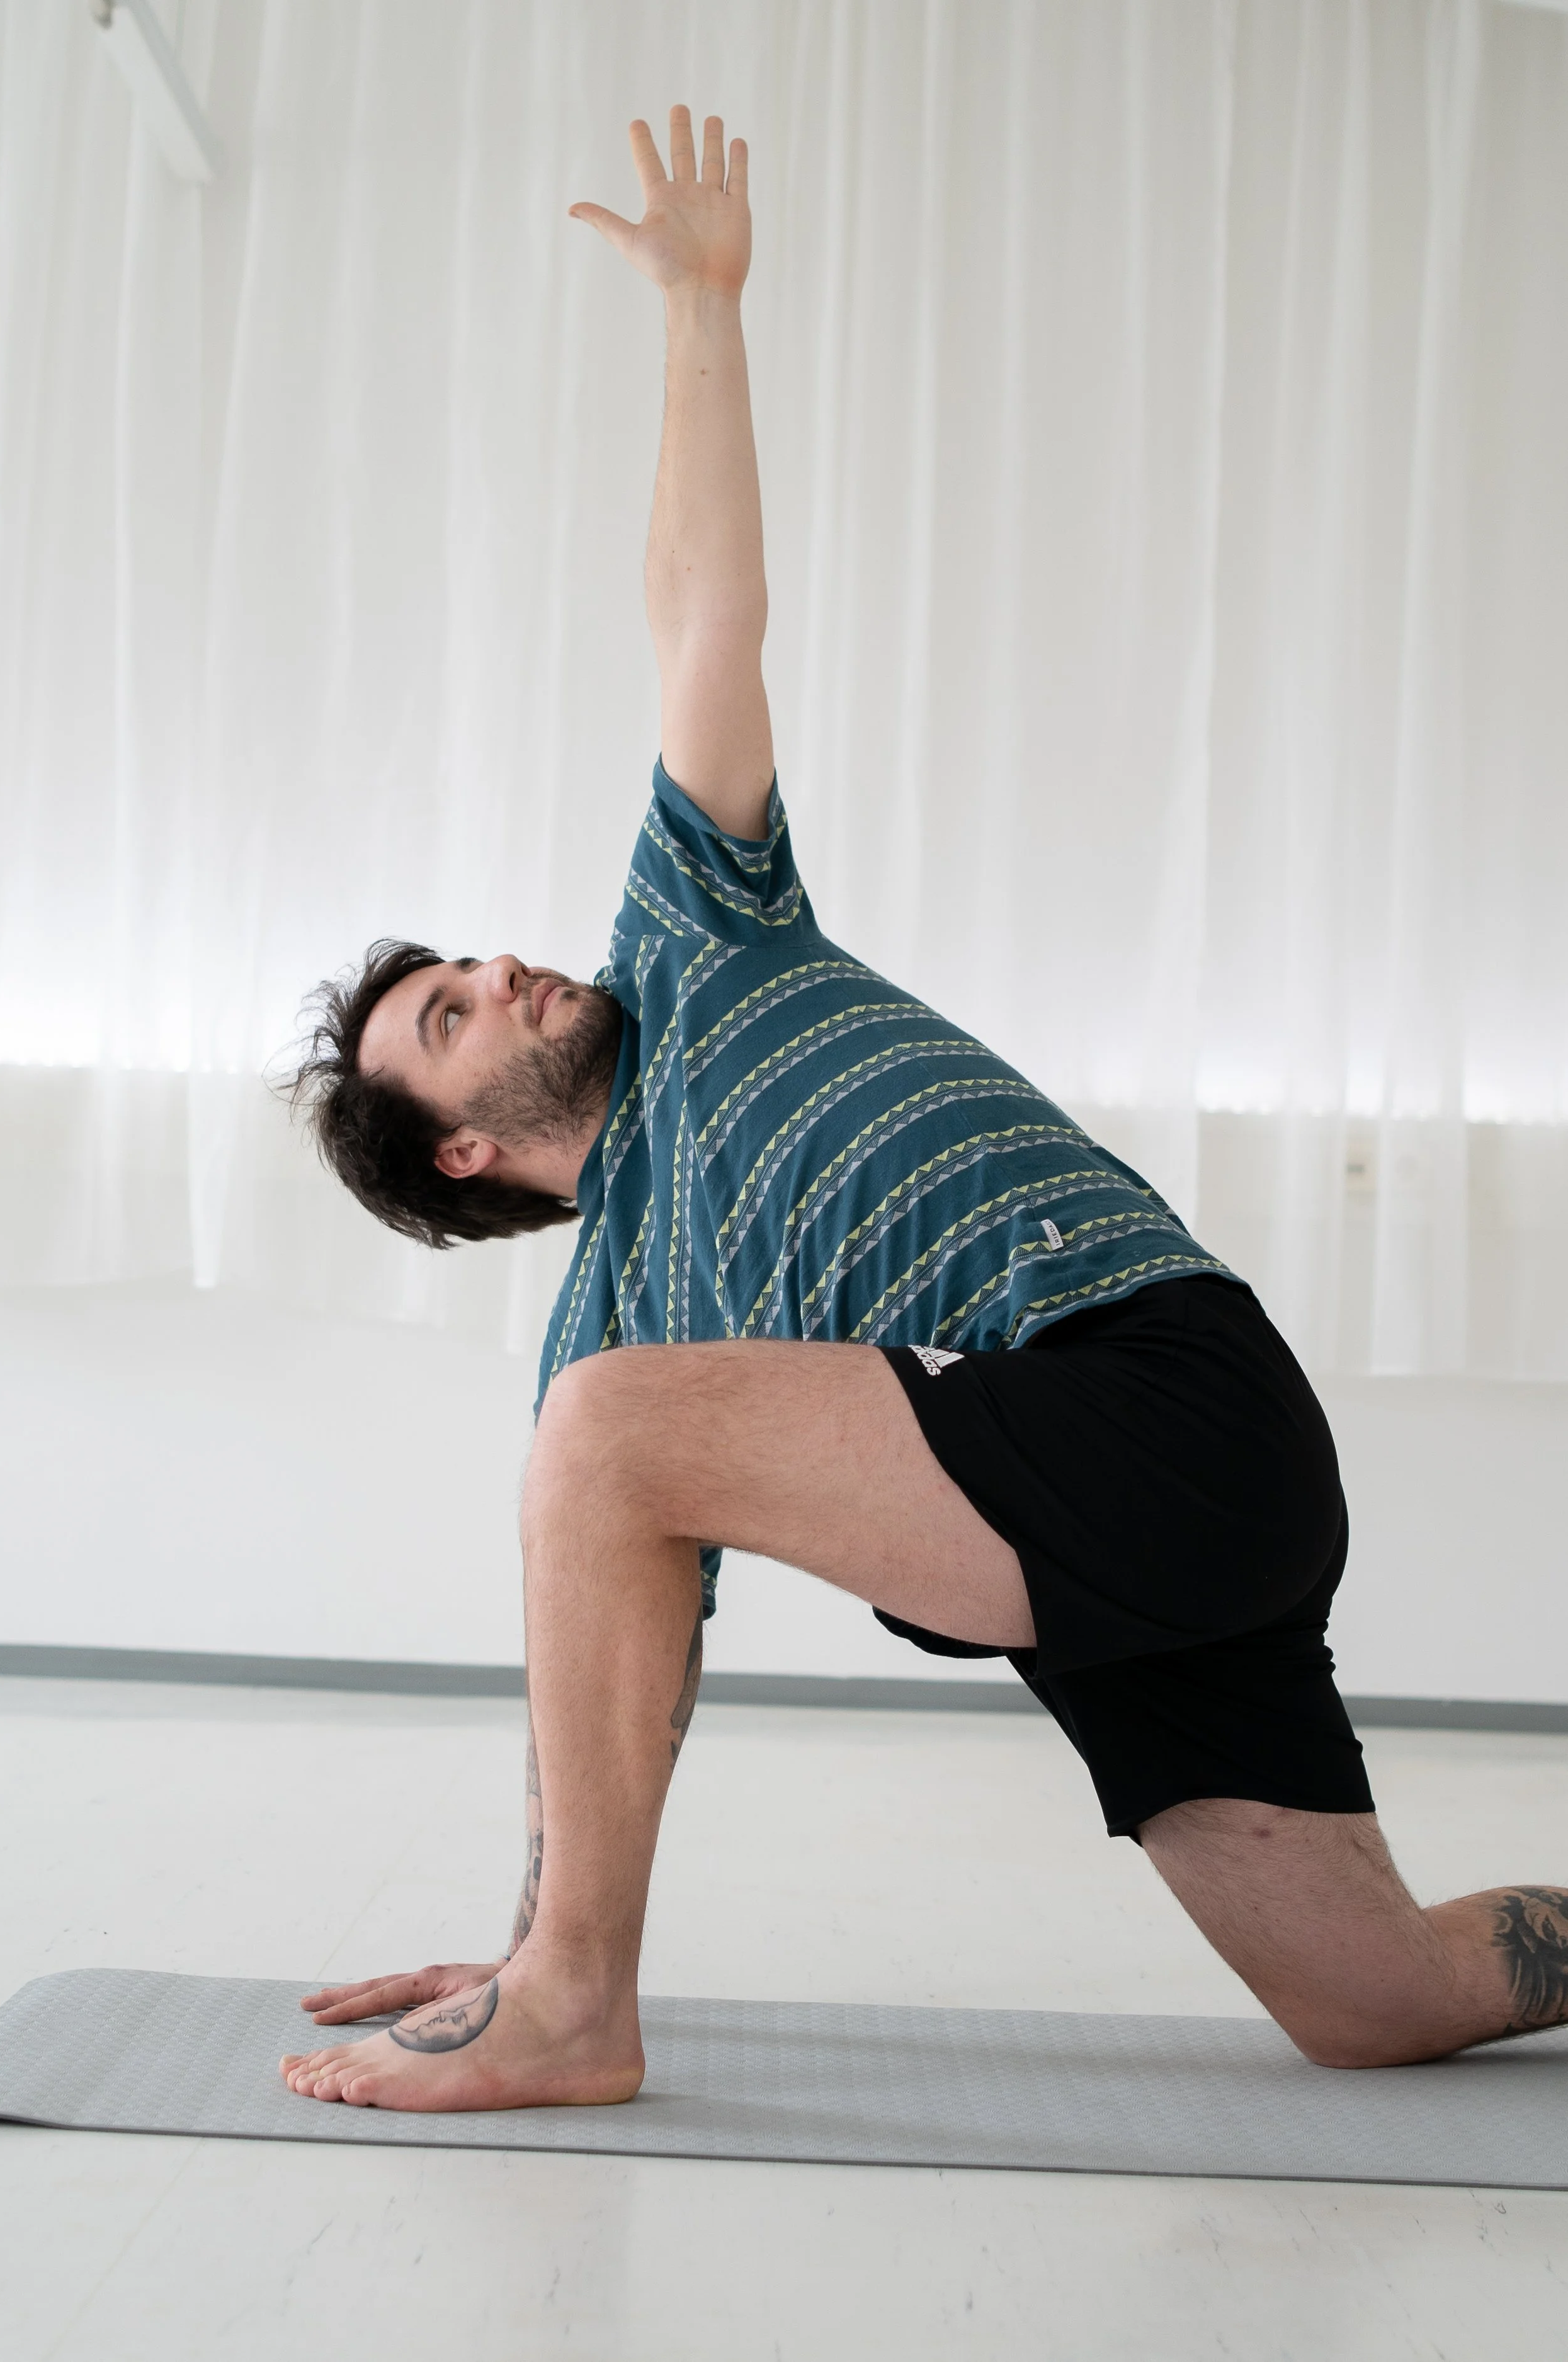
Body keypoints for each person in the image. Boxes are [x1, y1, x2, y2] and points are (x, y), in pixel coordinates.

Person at [279, 110, 1568, 2112]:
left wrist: (701, 312)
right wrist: (537, 1907)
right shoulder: (623, 1324)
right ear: (459, 1147)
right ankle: (567, 1981)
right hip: (1111, 1548)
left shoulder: (698, 937)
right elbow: (616, 1678)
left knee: (597, 1434)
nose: (510, 969)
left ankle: (574, 2021)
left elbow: (701, 615)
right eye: (453, 1013)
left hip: (1160, 1397)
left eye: (477, 960)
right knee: (1372, 1998)